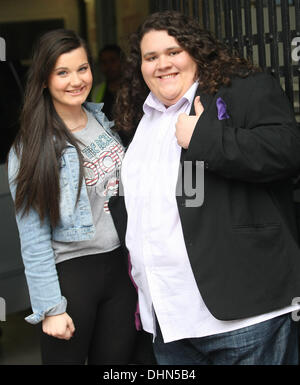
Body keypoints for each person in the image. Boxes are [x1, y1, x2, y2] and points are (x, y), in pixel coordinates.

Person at [109, 10, 300, 365]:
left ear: (196, 51)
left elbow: (287, 150)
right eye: (151, 57)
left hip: (243, 320)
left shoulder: (241, 88)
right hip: (168, 324)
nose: (162, 64)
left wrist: (204, 139)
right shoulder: (141, 115)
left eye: (173, 52)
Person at [7, 29, 138, 365]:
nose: (76, 80)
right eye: (62, 72)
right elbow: (33, 237)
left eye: (82, 68)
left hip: (121, 266)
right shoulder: (31, 148)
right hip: (72, 277)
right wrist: (51, 308)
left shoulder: (102, 120)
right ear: (44, 79)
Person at [91, 44, 123, 121]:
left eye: (113, 60)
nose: (108, 66)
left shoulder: (134, 89)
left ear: (122, 61)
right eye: (104, 62)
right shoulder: (96, 91)